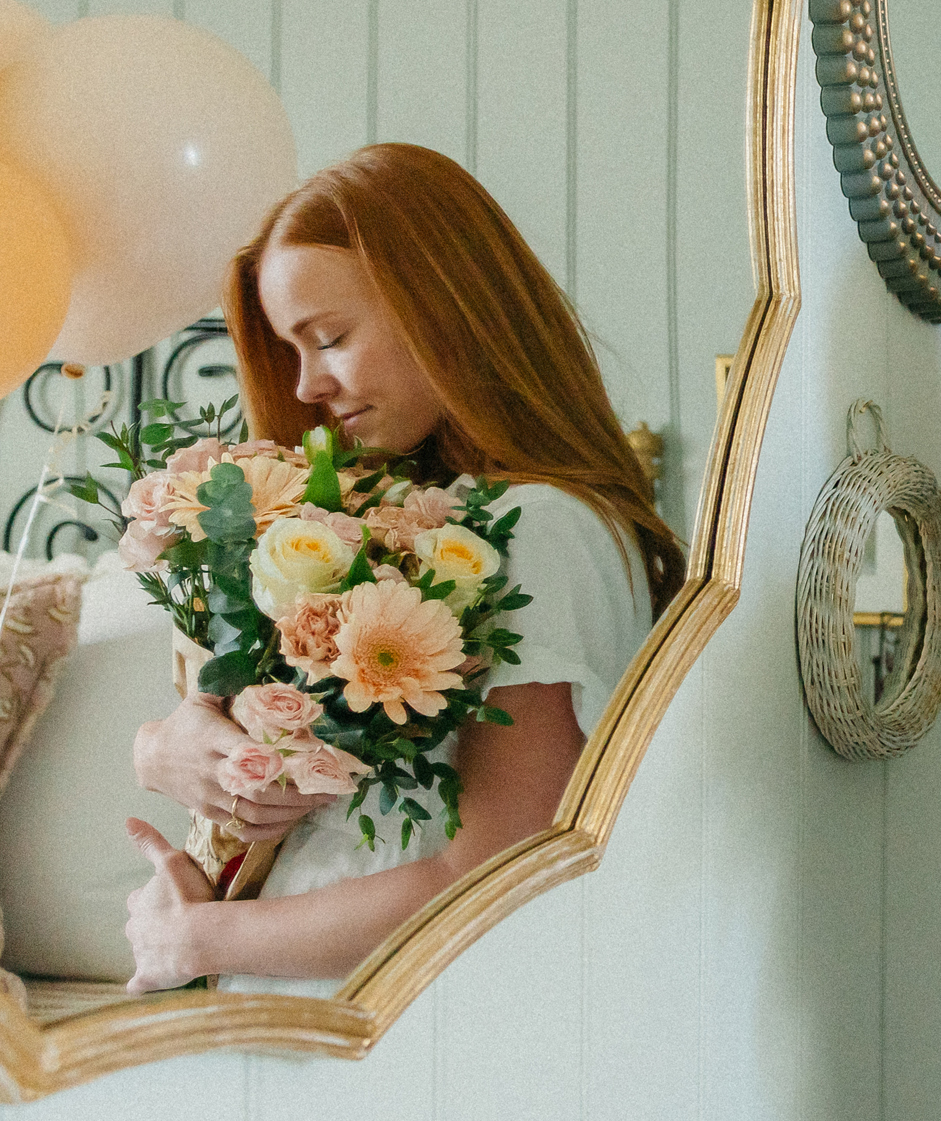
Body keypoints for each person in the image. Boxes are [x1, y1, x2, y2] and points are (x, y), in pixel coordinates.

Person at [117, 142, 684, 995]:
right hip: (338, 1004)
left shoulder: (535, 530)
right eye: (290, 350)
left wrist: (200, 938)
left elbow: (499, 867)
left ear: (445, 307)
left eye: (330, 337)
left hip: (402, 1020)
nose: (305, 384)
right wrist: (171, 743)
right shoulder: (430, 521)